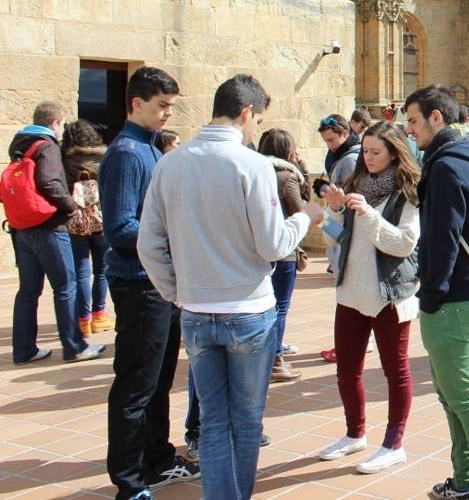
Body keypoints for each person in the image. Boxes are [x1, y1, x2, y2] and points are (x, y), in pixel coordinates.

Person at [138, 74, 321, 500]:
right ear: (246, 113)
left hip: (198, 311)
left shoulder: (170, 163)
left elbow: (149, 244)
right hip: (247, 311)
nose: (257, 127)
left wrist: (177, 292)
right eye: (258, 119)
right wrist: (305, 217)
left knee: (216, 422)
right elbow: (274, 244)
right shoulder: (252, 165)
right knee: (246, 420)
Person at [100, 67, 197, 499]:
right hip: (139, 284)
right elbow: (121, 226)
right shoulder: (126, 152)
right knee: (136, 385)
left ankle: (157, 459)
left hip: (159, 282)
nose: (167, 114)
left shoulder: (150, 149)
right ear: (136, 104)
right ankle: (129, 480)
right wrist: (172, 237)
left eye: (171, 106)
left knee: (158, 381)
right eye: (161, 106)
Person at [404, 85, 469, 500]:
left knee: (461, 394)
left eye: (412, 121)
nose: (408, 130)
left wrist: (431, 294)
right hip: (464, 291)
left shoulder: (446, 167)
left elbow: (443, 238)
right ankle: (465, 479)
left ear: (436, 118)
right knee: (450, 394)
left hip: (453, 297)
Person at [316, 121, 421, 474]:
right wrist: (334, 211)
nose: (369, 158)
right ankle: (354, 433)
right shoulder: (355, 185)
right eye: (366, 151)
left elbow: (403, 243)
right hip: (350, 292)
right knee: (347, 370)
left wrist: (369, 214)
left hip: (389, 295)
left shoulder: (408, 193)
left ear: (394, 153)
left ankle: (394, 443)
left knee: (396, 371)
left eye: (377, 152)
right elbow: (336, 240)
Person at [7, 102, 105, 364]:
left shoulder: (20, 146)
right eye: (61, 125)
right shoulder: (47, 146)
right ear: (55, 123)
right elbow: (49, 181)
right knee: (66, 287)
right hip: (50, 228)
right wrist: (71, 207)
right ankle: (74, 347)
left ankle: (24, 350)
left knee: (27, 291)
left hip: (22, 229)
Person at [258, 128, 311, 383]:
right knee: (279, 307)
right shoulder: (287, 177)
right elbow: (302, 209)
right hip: (283, 249)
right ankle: (275, 360)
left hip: (258, 248)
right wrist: (303, 171)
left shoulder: (254, 170)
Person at [61, 119, 113, 335]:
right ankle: (99, 315)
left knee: (81, 272)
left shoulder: (64, 159)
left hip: (75, 222)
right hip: (101, 220)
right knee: (102, 270)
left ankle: (83, 320)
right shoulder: (106, 157)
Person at [319, 114, 362, 276]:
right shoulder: (341, 156)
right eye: (326, 141)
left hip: (346, 229)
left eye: (331, 140)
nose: (329, 146)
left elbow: (353, 201)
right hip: (338, 224)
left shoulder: (350, 160)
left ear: (344, 133)